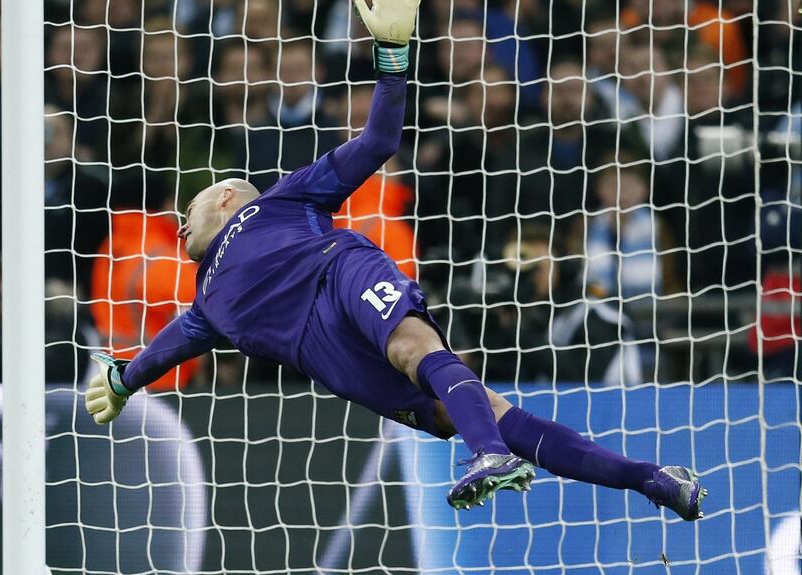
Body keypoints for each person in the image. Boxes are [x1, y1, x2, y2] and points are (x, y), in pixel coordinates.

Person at [83, 0, 706, 519]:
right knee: (489, 411)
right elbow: (162, 349)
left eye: (189, 208)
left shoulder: (280, 200)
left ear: (224, 198)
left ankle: (488, 456)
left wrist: (391, 63)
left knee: (415, 350)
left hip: (339, 274)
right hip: (337, 364)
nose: (181, 222)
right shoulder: (206, 306)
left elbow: (379, 141)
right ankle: (651, 479)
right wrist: (122, 379)